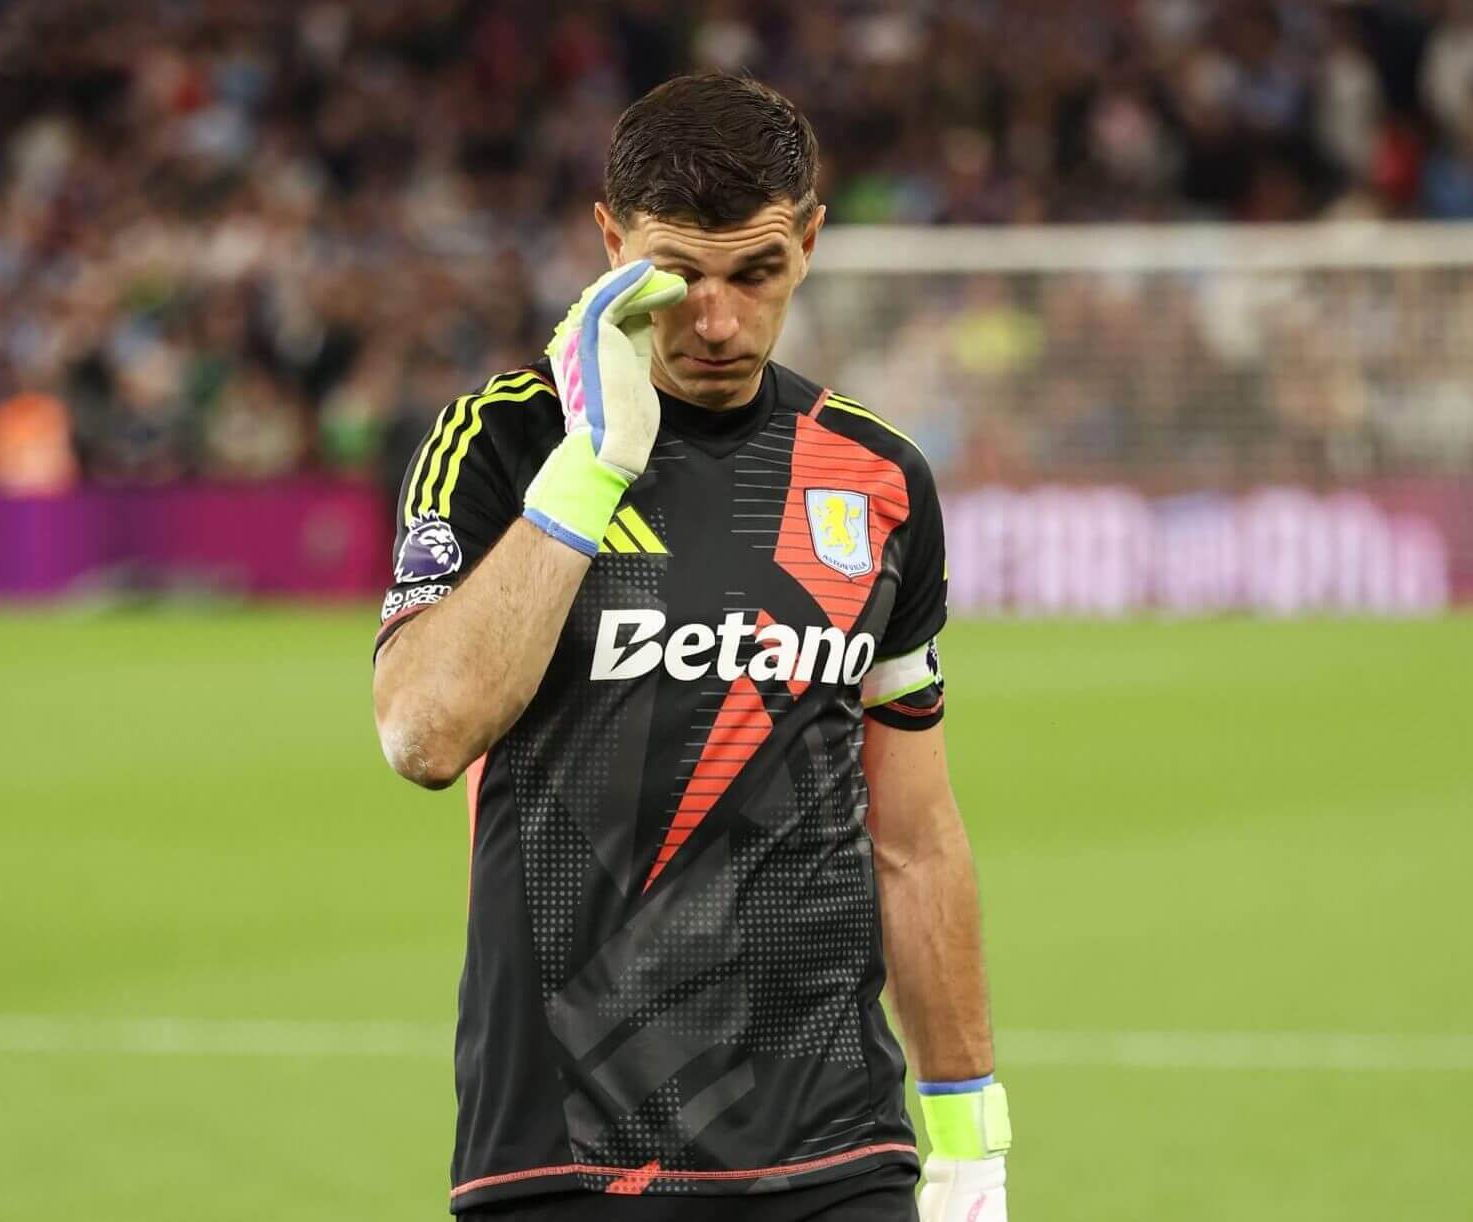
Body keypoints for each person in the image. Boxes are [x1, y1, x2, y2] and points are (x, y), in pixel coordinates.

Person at [372, 72, 1006, 1222]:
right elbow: (422, 731)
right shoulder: (504, 443)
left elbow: (916, 837)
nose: (715, 321)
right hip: (560, 1146)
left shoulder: (878, 479)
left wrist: (971, 1142)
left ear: (811, 241)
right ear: (611, 242)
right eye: (677, 278)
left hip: (836, 1151)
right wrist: (593, 469)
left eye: (755, 273)